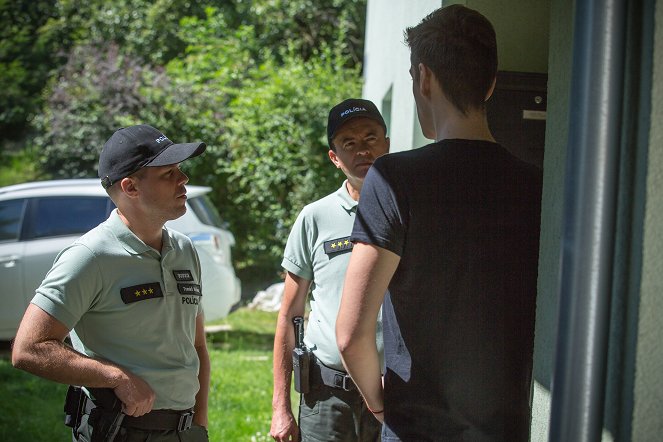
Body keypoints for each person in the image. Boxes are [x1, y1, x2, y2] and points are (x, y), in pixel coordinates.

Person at [336, 5, 543, 441]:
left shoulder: (393, 179)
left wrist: (378, 404)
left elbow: (352, 333)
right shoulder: (537, 186)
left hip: (417, 430)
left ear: (423, 78)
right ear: (490, 84)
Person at [11, 124, 211, 442]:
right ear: (130, 187)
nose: (183, 179)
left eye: (180, 169)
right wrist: (114, 377)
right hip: (122, 431)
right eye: (168, 173)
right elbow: (29, 348)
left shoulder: (184, 249)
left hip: (186, 432)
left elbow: (197, 346)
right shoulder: (91, 255)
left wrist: (198, 425)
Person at [270, 99, 390, 442]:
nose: (362, 151)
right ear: (335, 157)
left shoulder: (412, 212)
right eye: (349, 144)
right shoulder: (314, 218)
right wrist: (281, 408)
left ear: (387, 144)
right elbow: (289, 315)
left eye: (370, 138)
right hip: (327, 397)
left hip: (395, 392)